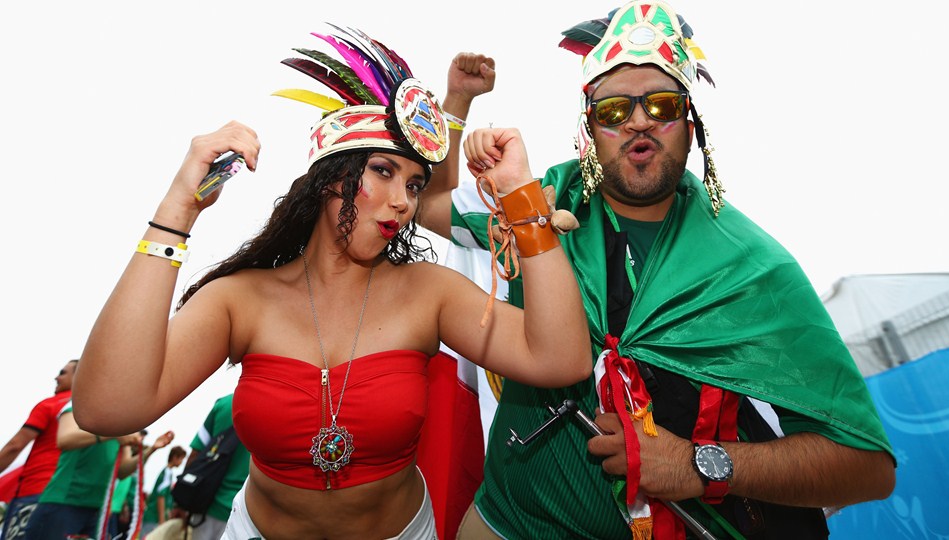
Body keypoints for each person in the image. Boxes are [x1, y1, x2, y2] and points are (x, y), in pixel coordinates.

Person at [72, 25, 590, 540]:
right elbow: (107, 407)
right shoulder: (242, 300)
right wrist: (177, 210)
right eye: (382, 171)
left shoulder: (427, 293)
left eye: (413, 184)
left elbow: (560, 359)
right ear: (327, 179)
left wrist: (523, 199)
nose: (403, 202)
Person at [418, 2, 896, 538]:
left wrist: (699, 465)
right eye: (616, 111)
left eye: (662, 104)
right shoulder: (546, 197)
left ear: (691, 123)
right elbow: (429, 205)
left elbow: (866, 467)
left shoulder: (752, 267)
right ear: (589, 127)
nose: (640, 121)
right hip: (504, 524)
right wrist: (457, 104)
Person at [21, 403, 173, 540]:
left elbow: (122, 470)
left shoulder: (123, 427)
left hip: (98, 511)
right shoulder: (78, 407)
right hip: (63, 503)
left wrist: (151, 449)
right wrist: (113, 433)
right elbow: (64, 439)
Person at [0, 360, 76, 540]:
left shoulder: (50, 405)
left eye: (63, 372)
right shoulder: (92, 413)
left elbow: (15, 445)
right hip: (73, 500)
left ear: (79, 376)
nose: (56, 377)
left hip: (35, 492)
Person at [174, 394, 250, 540]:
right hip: (246, 514)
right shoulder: (280, 412)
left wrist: (180, 502)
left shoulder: (224, 404)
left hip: (206, 505)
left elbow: (196, 454)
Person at [140, 446, 186, 535]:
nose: (182, 462)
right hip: (153, 517)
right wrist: (162, 521)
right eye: (181, 459)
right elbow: (160, 497)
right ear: (175, 457)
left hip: (155, 517)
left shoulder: (168, 473)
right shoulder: (166, 473)